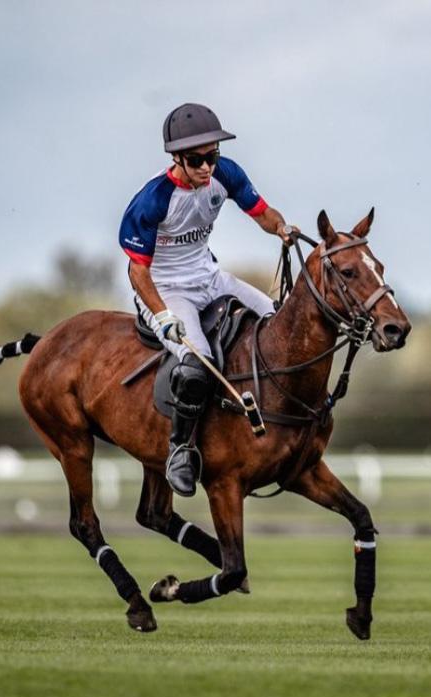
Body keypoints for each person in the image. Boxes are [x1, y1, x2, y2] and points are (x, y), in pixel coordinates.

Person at [119, 103, 299, 498]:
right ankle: (180, 451)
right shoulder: (153, 200)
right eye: (196, 160)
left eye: (212, 157)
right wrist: (162, 315)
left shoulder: (225, 174)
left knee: (278, 320)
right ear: (177, 159)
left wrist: (282, 228)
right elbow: (138, 272)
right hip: (166, 289)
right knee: (198, 364)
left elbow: (262, 212)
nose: (206, 167)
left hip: (210, 277)